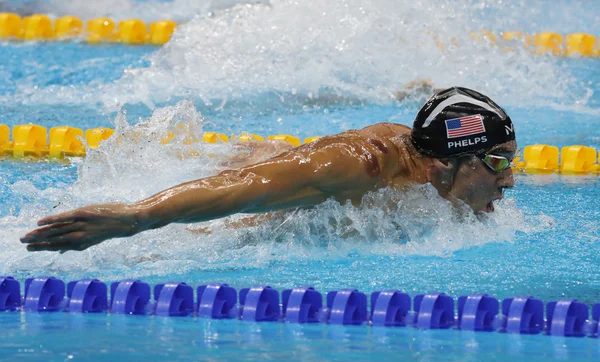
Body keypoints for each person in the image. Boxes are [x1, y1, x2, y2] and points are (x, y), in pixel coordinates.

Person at [21, 86, 517, 252]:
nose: (510, 180)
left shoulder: (431, 168)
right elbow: (239, 190)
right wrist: (134, 218)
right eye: (498, 163)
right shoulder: (359, 167)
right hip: (267, 183)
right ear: (449, 164)